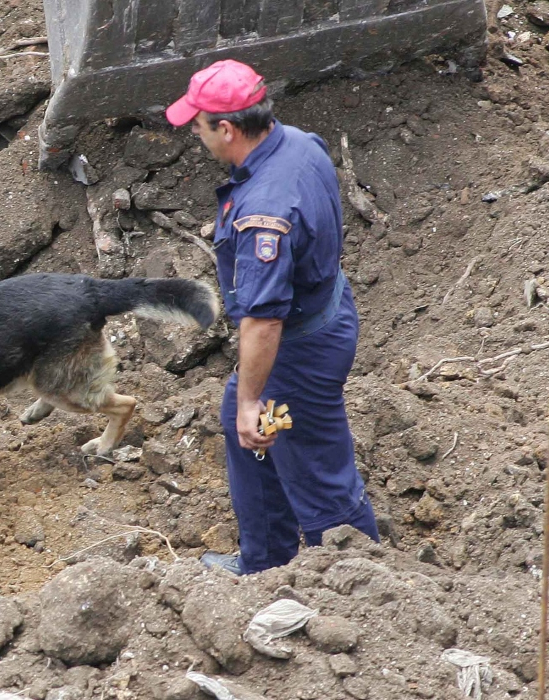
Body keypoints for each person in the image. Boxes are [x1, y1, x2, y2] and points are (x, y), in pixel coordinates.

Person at [165, 60, 380, 575]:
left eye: (198, 126)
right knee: (243, 427)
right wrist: (243, 402)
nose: (196, 136)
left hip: (298, 348)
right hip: (325, 310)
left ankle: (366, 580)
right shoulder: (300, 143)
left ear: (228, 129)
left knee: (317, 472)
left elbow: (263, 322)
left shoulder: (265, 210)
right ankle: (265, 561)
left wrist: (252, 398)